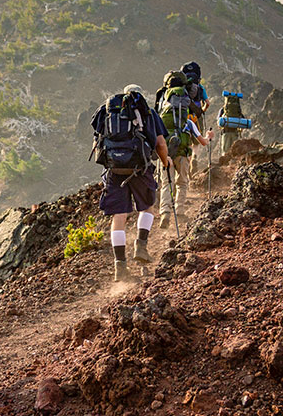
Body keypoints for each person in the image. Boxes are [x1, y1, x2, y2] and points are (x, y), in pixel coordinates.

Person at [91, 84, 170, 281]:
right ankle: (141, 246)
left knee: (119, 216)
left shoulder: (106, 113)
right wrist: (165, 162)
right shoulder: (148, 113)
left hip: (114, 171)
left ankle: (120, 266)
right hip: (140, 169)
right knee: (147, 208)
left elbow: (96, 143)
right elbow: (160, 144)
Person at [156, 73, 213, 227]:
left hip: (165, 154)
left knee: (167, 183)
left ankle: (165, 213)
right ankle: (179, 211)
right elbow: (203, 142)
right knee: (182, 183)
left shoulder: (161, 119)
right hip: (183, 154)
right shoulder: (188, 121)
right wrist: (209, 136)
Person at [180, 61, 210, 174]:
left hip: (183, 116)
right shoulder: (200, 87)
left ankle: (187, 162)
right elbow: (207, 103)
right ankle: (195, 158)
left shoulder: (181, 87)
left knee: (186, 141)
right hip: (196, 117)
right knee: (196, 141)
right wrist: (201, 111)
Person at [218, 91, 247, 159]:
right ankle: (233, 165)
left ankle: (225, 164)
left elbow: (219, 123)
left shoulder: (223, 110)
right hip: (235, 132)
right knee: (234, 151)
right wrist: (240, 130)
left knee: (225, 151)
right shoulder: (238, 111)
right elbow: (242, 121)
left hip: (226, 132)